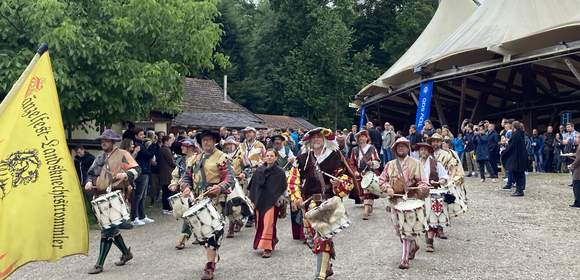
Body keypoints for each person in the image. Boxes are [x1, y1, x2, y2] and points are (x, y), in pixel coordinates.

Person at [287, 127, 356, 280]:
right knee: (311, 239)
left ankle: (321, 274)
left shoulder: (335, 156)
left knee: (323, 236)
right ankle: (327, 265)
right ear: (310, 141)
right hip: (307, 203)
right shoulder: (302, 158)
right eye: (314, 138)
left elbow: (348, 179)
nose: (317, 140)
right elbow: (292, 181)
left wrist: (338, 183)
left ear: (324, 139)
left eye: (319, 137)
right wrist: (296, 197)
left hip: (328, 202)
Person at [180, 130, 235, 280]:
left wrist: (220, 187)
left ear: (215, 141)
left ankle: (209, 266)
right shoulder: (194, 159)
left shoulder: (222, 158)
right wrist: (185, 187)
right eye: (204, 140)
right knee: (202, 232)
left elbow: (230, 179)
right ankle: (213, 254)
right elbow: (186, 177)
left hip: (216, 200)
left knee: (213, 231)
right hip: (198, 199)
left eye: (209, 140)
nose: (206, 142)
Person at [85, 130, 140, 274]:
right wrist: (89, 182)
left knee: (107, 230)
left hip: (115, 196)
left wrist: (126, 174)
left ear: (113, 142)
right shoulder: (100, 157)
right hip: (100, 196)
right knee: (111, 229)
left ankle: (99, 264)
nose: (104, 142)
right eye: (102, 140)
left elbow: (137, 169)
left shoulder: (123, 154)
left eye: (107, 140)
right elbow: (91, 173)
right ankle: (126, 254)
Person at [379, 137, 429, 269]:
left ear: (408, 148)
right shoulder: (389, 164)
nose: (401, 148)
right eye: (398, 146)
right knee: (398, 229)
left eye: (404, 146)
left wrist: (422, 187)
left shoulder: (416, 163)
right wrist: (387, 188)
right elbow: (382, 180)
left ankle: (404, 259)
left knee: (406, 229)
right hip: (394, 200)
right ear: (395, 149)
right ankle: (414, 246)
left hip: (410, 200)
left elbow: (423, 181)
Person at [249, 149, 287, 258]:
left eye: (272, 156)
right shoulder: (259, 171)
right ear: (265, 157)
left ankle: (267, 248)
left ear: (276, 158)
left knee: (268, 223)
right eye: (267, 155)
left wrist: (280, 198)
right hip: (259, 200)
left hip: (272, 202)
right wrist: (252, 200)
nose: (269, 157)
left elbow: (282, 187)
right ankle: (273, 239)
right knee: (260, 223)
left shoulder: (280, 172)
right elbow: (253, 187)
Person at [416, 142, 449, 253]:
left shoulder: (435, 163)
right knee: (420, 218)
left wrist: (440, 181)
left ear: (429, 151)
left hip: (433, 193)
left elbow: (444, 176)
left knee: (432, 218)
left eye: (425, 150)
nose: (423, 152)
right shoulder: (415, 163)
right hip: (418, 194)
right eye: (421, 150)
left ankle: (430, 242)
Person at [169, 138, 199, 250]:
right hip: (184, 191)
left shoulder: (198, 159)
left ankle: (183, 239)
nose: (181, 147)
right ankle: (198, 234)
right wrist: (173, 183)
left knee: (190, 214)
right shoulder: (181, 160)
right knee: (190, 213)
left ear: (191, 147)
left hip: (196, 191)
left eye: (184, 146)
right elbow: (176, 175)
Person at [222, 136, 250, 238]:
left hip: (240, 182)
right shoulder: (223, 156)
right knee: (229, 205)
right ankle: (235, 223)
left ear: (235, 144)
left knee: (236, 205)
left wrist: (244, 174)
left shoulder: (241, 154)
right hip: (227, 183)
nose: (229, 146)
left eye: (231, 144)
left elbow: (248, 167)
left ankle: (233, 225)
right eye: (227, 144)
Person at [349, 130, 380, 220]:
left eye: (363, 137)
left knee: (368, 190)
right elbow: (351, 163)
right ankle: (368, 206)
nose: (361, 138)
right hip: (359, 174)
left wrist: (373, 163)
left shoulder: (372, 148)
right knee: (361, 194)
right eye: (360, 137)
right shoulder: (355, 150)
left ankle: (366, 210)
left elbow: (377, 161)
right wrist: (354, 171)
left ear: (367, 138)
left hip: (370, 173)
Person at [240, 127, 266, 228]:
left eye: (250, 132)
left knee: (254, 195)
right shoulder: (241, 146)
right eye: (246, 133)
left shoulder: (260, 145)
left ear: (254, 134)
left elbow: (265, 158)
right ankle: (244, 216)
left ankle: (252, 217)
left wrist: (260, 165)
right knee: (243, 195)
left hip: (256, 172)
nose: (248, 134)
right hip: (243, 173)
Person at [131, 128, 158, 226]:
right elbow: (148, 155)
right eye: (141, 134)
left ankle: (141, 215)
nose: (143, 136)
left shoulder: (141, 144)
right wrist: (154, 145)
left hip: (145, 170)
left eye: (143, 134)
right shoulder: (138, 145)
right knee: (138, 195)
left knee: (142, 195)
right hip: (141, 171)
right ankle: (134, 217)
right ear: (136, 136)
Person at [501, 121, 528, 197]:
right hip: (520, 157)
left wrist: (504, 151)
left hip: (517, 158)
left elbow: (511, 146)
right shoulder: (520, 134)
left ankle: (519, 190)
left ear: (514, 127)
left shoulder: (516, 135)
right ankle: (520, 189)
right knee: (520, 173)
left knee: (517, 173)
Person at [158, 136, 176, 215]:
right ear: (166, 141)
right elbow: (171, 162)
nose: (171, 142)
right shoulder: (166, 150)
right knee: (168, 192)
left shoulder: (162, 149)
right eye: (170, 141)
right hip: (167, 173)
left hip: (163, 173)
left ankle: (166, 208)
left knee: (165, 192)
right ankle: (167, 208)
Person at [567, 134, 580, 208]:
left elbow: (578, 159)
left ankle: (578, 203)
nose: (576, 139)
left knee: (576, 185)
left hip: (578, 171)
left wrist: (572, 165)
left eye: (577, 138)